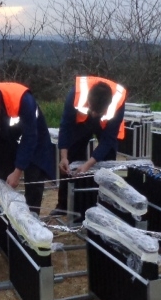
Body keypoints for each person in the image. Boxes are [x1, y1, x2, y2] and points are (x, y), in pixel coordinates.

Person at [0, 81, 55, 214]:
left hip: (34, 139)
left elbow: (30, 137)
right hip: (3, 140)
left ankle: (30, 224)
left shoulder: (24, 100)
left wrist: (18, 171)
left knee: (34, 180)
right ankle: (2, 228)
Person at [53, 76, 127, 213]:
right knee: (71, 156)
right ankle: (64, 205)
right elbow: (66, 126)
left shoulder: (118, 101)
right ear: (89, 101)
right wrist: (64, 156)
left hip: (106, 126)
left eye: (98, 112)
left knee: (107, 159)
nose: (94, 114)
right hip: (82, 122)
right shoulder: (75, 95)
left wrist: (88, 164)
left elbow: (108, 139)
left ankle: (104, 205)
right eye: (93, 110)